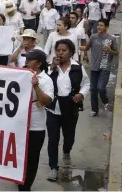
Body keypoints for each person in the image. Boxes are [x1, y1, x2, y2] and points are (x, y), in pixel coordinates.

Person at [45, 39, 90, 182]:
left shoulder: (78, 68)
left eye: (64, 50)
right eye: (58, 50)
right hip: (53, 108)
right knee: (53, 139)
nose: (60, 53)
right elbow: (41, 80)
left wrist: (81, 94)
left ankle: (66, 151)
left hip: (70, 107)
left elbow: (86, 83)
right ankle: (53, 167)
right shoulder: (50, 68)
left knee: (69, 136)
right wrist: (51, 67)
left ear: (70, 52)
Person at [18, 49, 54, 191]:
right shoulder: (21, 74)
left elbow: (46, 101)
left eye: (30, 59)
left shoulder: (46, 80)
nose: (27, 62)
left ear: (39, 63)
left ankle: (26, 186)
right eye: (26, 59)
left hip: (35, 126)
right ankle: (19, 178)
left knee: (32, 158)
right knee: (19, 155)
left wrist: (36, 86)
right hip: (19, 124)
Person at [80, 19, 118, 117]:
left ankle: (105, 101)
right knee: (93, 89)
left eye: (101, 25)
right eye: (98, 25)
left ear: (106, 27)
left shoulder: (111, 39)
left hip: (105, 67)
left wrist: (110, 50)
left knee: (101, 87)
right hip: (94, 67)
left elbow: (116, 52)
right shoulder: (93, 37)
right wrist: (75, 45)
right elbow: (86, 48)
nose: (99, 27)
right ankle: (94, 110)